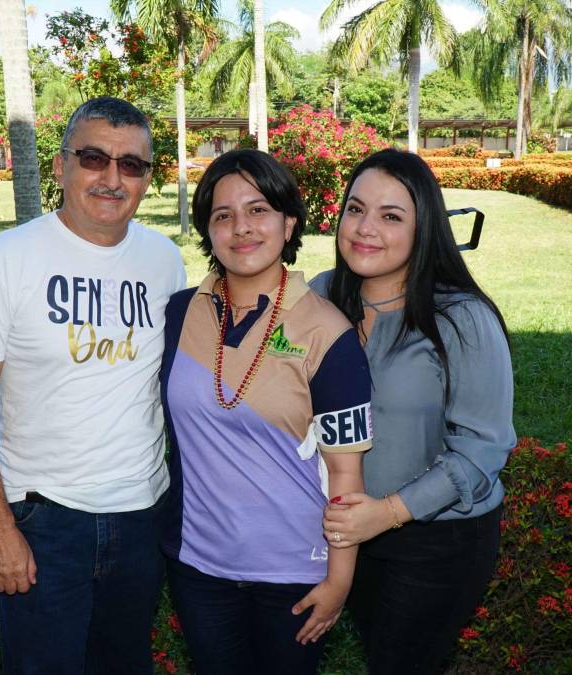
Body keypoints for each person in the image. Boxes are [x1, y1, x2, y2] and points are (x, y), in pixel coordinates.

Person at [0, 96, 186, 674]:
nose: (112, 178)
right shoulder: (9, 256)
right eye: (94, 158)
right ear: (60, 166)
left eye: (131, 165)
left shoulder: (164, 260)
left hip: (140, 514)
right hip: (44, 520)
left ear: (148, 177)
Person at [160, 149, 373, 674]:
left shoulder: (329, 333)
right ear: (208, 231)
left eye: (258, 210)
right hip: (198, 567)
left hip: (295, 575)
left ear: (288, 221)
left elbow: (346, 472)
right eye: (223, 215)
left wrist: (339, 580)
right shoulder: (179, 314)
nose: (242, 228)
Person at [310, 148, 516, 675]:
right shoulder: (320, 297)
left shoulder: (462, 319)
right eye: (355, 209)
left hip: (437, 540)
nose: (365, 228)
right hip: (346, 536)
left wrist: (387, 513)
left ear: (425, 230)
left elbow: (482, 451)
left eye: (391, 216)